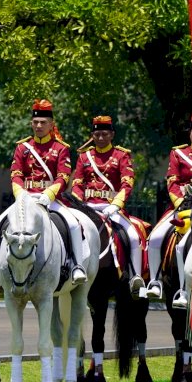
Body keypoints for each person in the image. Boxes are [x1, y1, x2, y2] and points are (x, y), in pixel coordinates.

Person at [0, 99, 87, 287]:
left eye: (43, 122)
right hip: (26, 197)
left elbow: (63, 177)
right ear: (31, 124)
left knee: (73, 224)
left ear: (51, 124)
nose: (39, 126)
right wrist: (21, 194)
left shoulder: (61, 148)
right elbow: (16, 174)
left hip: (50, 198)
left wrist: (49, 194)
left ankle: (76, 265)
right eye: (36, 122)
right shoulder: (22, 147)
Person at [70, 115, 143, 286]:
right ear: (92, 136)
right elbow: (77, 184)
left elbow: (127, 183)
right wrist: (80, 206)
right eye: (97, 135)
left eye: (104, 134)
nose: (100, 138)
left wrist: (116, 205)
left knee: (133, 235)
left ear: (112, 134)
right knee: (71, 231)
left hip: (111, 208)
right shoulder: (84, 157)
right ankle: (73, 268)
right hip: (87, 207)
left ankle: (135, 275)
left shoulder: (121, 155)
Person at [145, 113, 192, 299]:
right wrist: (180, 202)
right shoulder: (178, 153)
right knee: (155, 237)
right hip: (182, 206)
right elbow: (172, 182)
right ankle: (155, 280)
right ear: (190, 133)